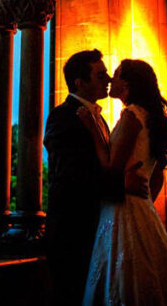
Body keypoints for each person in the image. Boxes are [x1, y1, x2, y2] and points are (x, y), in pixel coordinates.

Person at [78, 59, 167, 306]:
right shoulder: (149, 118)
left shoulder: (132, 116)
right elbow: (157, 176)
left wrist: (91, 129)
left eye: (116, 75)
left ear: (127, 84)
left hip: (122, 209)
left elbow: (110, 166)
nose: (111, 80)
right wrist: (145, 200)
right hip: (141, 209)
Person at [44, 50, 146, 306]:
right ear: (80, 82)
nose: (108, 79)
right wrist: (121, 185)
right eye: (100, 75)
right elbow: (69, 177)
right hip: (72, 233)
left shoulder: (99, 118)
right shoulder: (62, 116)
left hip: (98, 230)